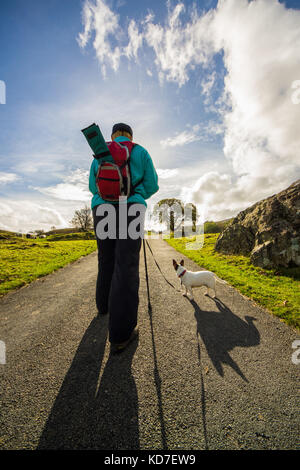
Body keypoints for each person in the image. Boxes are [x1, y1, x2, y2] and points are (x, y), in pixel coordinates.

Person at [89, 123, 159, 354]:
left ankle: (103, 306)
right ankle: (121, 334)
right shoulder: (140, 151)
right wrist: (136, 194)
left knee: (105, 259)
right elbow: (152, 185)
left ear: (112, 136)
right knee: (126, 265)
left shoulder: (100, 152)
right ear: (130, 135)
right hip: (131, 208)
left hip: (102, 210)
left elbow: (93, 186)